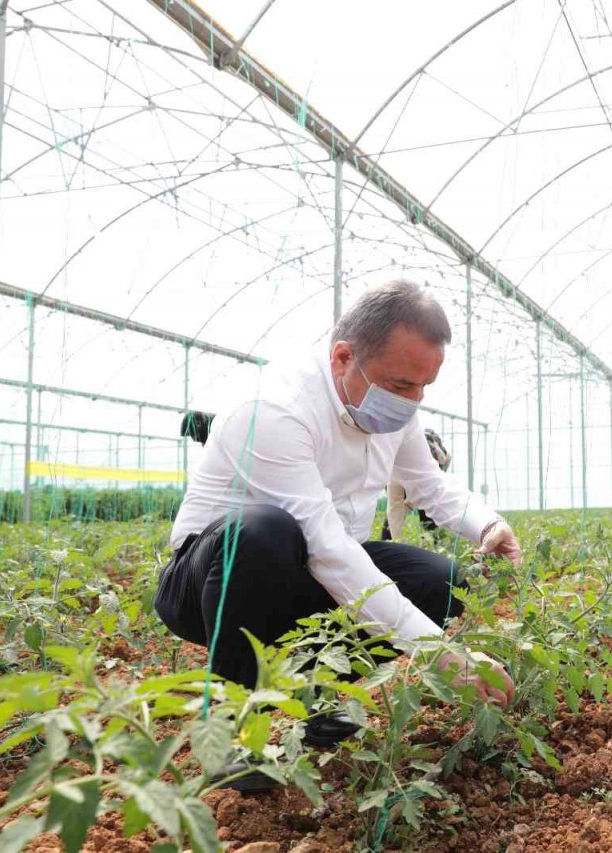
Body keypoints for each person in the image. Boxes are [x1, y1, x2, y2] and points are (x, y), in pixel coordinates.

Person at [156, 281, 521, 781]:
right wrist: (441, 653)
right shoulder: (275, 409)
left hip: (312, 574)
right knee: (265, 531)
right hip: (212, 582)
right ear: (344, 357)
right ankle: (236, 732)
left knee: (442, 579)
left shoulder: (396, 410)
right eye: (400, 386)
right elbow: (327, 549)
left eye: (423, 387)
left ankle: (325, 698)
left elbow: (428, 486)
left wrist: (488, 523)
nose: (412, 401)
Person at [383, 428, 451, 540]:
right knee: (392, 520)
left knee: (429, 513)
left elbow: (445, 463)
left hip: (426, 483)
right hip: (401, 483)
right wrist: (398, 541)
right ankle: (388, 544)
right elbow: (394, 508)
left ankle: (433, 543)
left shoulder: (442, 455)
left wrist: (413, 502)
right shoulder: (398, 469)